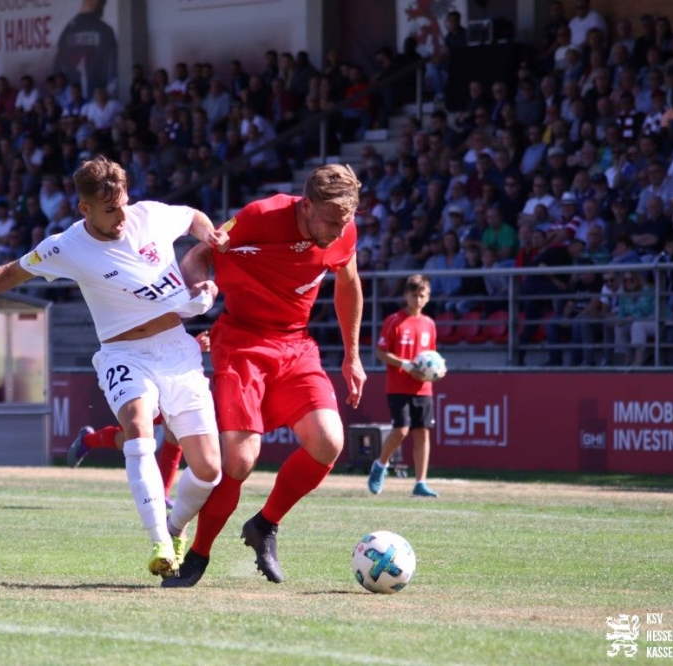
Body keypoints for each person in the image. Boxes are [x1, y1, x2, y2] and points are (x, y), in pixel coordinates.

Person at [0, 156, 227, 581]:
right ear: (85, 209)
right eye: (109, 211)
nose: (121, 217)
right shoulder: (66, 245)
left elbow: (193, 217)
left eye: (122, 204)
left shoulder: (150, 216)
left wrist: (208, 233)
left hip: (177, 349)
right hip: (125, 354)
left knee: (210, 470)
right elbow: (12, 273)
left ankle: (175, 526)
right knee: (138, 424)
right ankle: (159, 541)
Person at [173, 163, 366, 588]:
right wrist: (200, 288)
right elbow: (198, 254)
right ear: (307, 205)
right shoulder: (260, 216)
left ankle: (264, 524)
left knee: (329, 441)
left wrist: (352, 355)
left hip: (296, 345)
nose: (338, 232)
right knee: (239, 461)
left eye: (346, 222)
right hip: (241, 342)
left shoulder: (343, 232)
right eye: (331, 221)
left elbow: (348, 283)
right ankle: (198, 554)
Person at [67, 332, 212, 507]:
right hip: (136, 369)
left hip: (167, 371)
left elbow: (170, 327)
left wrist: (192, 346)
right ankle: (88, 440)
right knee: (131, 437)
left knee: (173, 432)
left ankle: (162, 494)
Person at [368, 274, 440, 498]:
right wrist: (405, 365)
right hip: (398, 385)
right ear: (405, 295)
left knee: (422, 433)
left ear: (427, 298)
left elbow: (431, 356)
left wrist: (436, 370)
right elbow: (380, 352)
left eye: (422, 296)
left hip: (423, 388)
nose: (418, 300)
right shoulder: (394, 321)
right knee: (401, 430)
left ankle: (420, 483)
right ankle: (380, 465)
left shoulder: (429, 324)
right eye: (414, 295)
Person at [53, 0, 118, 99]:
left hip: (96, 98)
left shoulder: (68, 30)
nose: (102, 5)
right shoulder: (105, 30)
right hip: (79, 97)